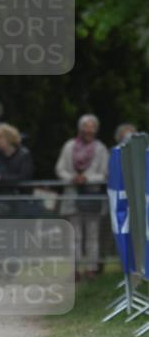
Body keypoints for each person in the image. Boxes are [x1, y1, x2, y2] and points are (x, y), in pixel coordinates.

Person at [55, 114, 109, 277]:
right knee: (75, 234)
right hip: (72, 194)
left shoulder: (100, 149)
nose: (88, 130)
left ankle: (91, 267)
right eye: (85, 126)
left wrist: (87, 179)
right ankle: (76, 268)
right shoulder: (69, 146)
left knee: (92, 234)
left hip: (91, 195)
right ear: (80, 128)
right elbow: (60, 169)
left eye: (91, 127)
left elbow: (105, 173)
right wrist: (72, 178)